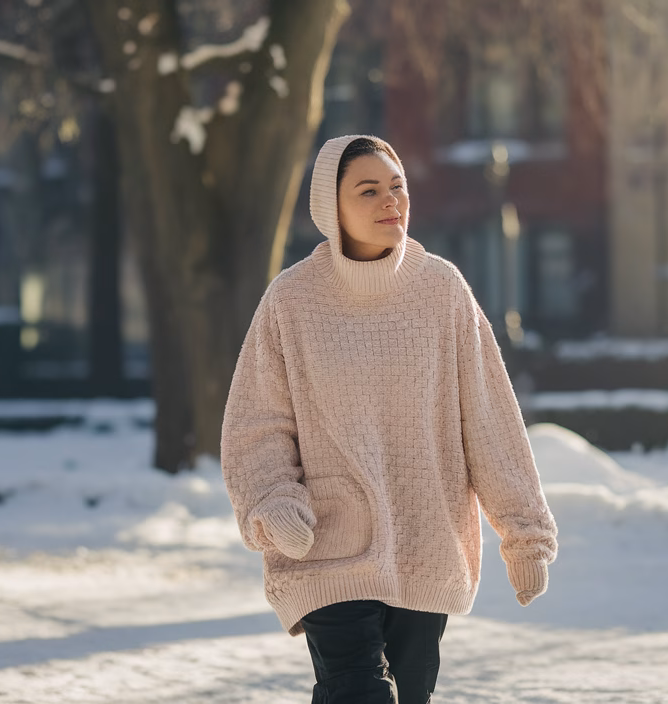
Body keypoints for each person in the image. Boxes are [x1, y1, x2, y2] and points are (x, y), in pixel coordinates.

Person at [220, 134, 558, 704]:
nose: (390, 201)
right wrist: (272, 501)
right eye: (369, 190)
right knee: (362, 694)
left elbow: (491, 419)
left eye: (397, 187)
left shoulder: (443, 291)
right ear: (332, 207)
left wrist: (525, 537)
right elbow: (257, 424)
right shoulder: (291, 301)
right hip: (325, 548)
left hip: (426, 546)